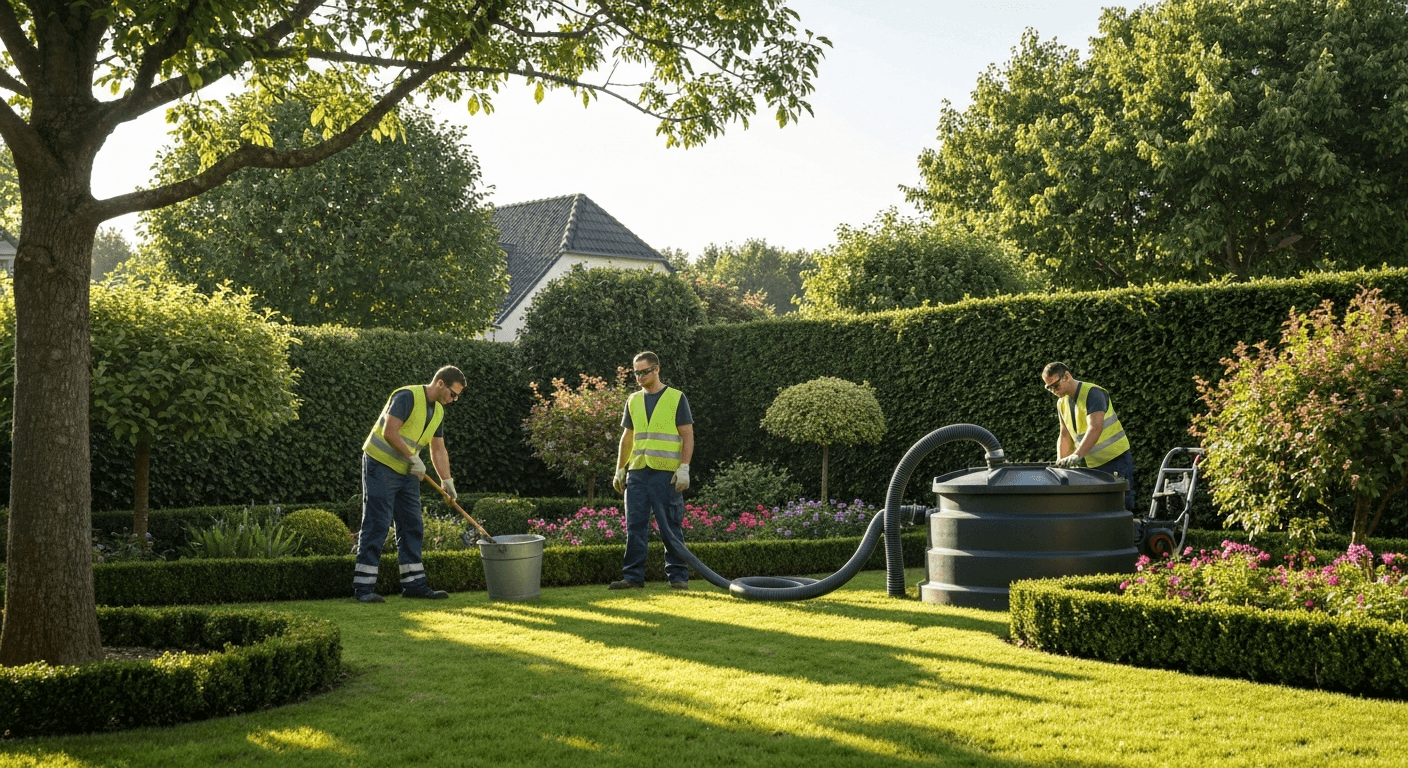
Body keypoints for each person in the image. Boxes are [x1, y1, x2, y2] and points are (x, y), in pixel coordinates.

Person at [353, 365, 466, 603]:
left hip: (407, 472)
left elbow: (438, 448)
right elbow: (389, 432)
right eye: (453, 394)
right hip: (380, 465)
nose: (454, 400)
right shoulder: (407, 396)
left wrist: (447, 481)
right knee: (378, 523)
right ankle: (363, 588)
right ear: (440, 383)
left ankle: (414, 584)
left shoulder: (438, 412)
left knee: (412, 524)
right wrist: (413, 458)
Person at [609, 351, 695, 590]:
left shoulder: (676, 398)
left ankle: (678, 577)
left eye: (644, 372)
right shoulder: (633, 400)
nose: (640, 377)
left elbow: (687, 436)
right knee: (635, 526)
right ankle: (633, 578)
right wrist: (619, 469)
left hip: (666, 473)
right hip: (637, 472)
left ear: (656, 369)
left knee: (670, 525)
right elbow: (627, 438)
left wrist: (684, 468)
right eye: (636, 373)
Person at [1041, 362, 1137, 511]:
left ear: (1067, 376)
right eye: (1049, 388)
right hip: (1090, 465)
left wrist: (1076, 455)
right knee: (1095, 511)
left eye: (1056, 385)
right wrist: (1061, 463)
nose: (1054, 391)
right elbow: (1065, 434)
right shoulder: (1062, 403)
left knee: (1120, 508)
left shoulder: (1093, 393)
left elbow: (1095, 427)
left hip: (1115, 461)